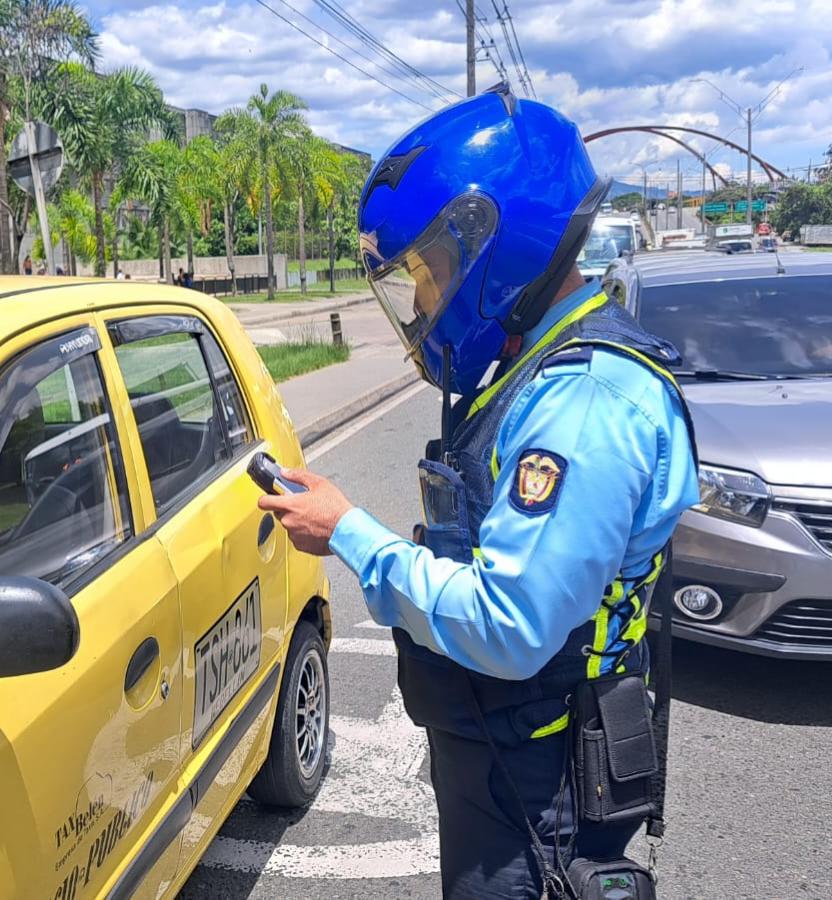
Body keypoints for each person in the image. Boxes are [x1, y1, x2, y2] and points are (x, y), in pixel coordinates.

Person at [260, 86, 698, 898]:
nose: (425, 301)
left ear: (497, 240)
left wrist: (349, 532)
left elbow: (510, 624)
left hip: (545, 780)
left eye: (432, 272)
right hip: (511, 751)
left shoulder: (585, 402)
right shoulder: (537, 369)